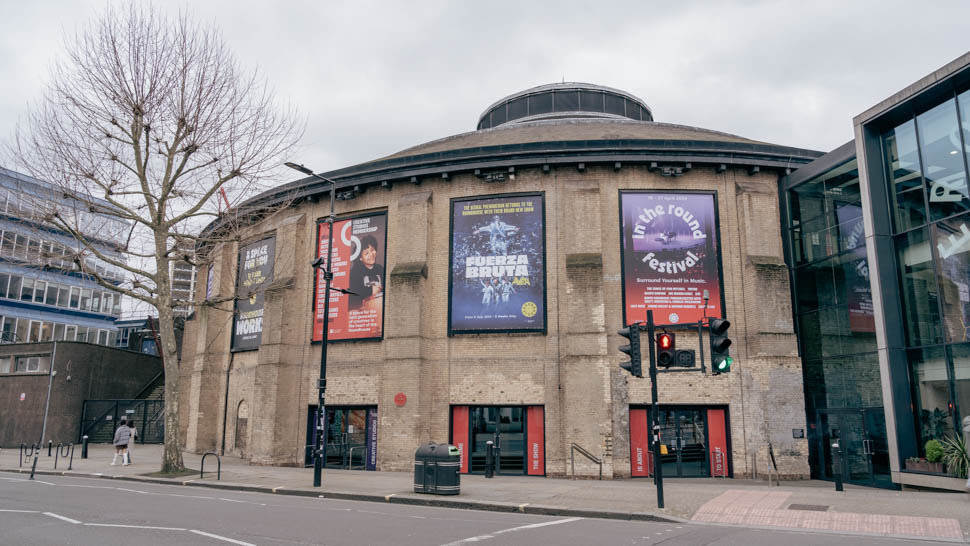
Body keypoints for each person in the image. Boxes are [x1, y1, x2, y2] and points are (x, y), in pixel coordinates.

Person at [348, 235, 384, 310]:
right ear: (360, 258)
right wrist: (370, 290)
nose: (371, 254)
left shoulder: (380, 269)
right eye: (366, 253)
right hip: (364, 313)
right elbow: (352, 292)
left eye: (372, 250)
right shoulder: (355, 272)